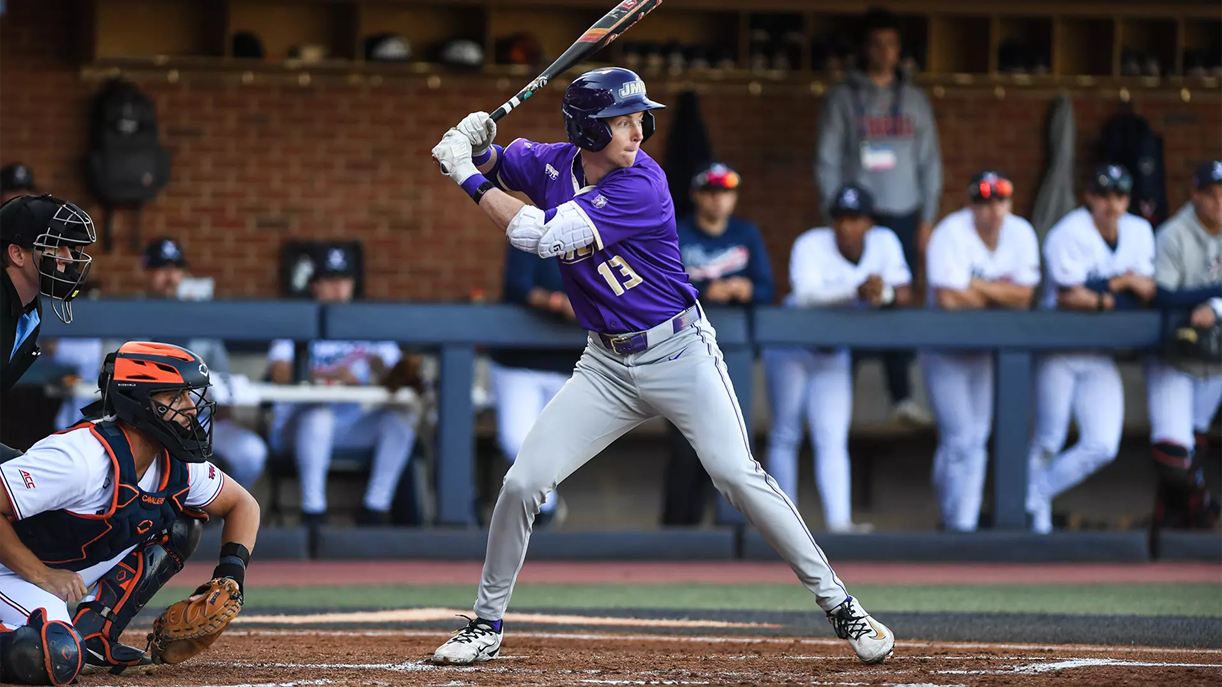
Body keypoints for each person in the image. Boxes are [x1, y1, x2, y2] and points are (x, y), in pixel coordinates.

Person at [429, 66, 894, 666]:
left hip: (679, 352)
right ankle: (485, 624)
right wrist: (477, 146)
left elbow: (539, 237)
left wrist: (463, 173)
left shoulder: (643, 186)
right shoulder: (550, 161)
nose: (637, 132)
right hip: (605, 363)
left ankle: (841, 605)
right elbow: (503, 165)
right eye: (621, 122)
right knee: (522, 482)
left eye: (638, 119)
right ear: (586, 132)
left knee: (736, 474)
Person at [0, 341, 260, 682]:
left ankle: (96, 634)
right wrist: (41, 574)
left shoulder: (177, 463)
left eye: (190, 395)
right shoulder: (81, 459)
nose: (192, 408)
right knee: (55, 655)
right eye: (175, 396)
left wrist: (230, 575)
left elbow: (243, 505)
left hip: (60, 568)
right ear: (140, 403)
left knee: (183, 521)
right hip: (13, 570)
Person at [49, 238, 270, 488]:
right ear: (147, 273)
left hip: (195, 424)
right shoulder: (126, 319)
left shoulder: (201, 321)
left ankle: (213, 518)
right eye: (162, 269)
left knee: (251, 452)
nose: (170, 277)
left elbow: (224, 386)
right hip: (139, 426)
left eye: (176, 269)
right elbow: (108, 380)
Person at [815, 7, 942, 426]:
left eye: (891, 44)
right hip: (857, 213)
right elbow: (828, 160)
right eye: (876, 43)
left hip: (905, 210)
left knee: (897, 299)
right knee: (851, 293)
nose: (883, 52)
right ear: (864, 48)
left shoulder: (916, 100)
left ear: (899, 49)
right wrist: (835, 213)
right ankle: (842, 386)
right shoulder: (844, 96)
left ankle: (901, 394)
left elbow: (931, 163)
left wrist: (928, 218)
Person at [763, 183, 911, 533]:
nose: (848, 226)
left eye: (856, 218)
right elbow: (806, 294)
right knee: (785, 432)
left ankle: (839, 522)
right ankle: (783, 526)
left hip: (833, 352)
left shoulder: (885, 242)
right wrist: (856, 290)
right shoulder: (810, 244)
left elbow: (904, 291)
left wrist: (884, 293)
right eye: (841, 218)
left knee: (832, 436)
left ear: (869, 222)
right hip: (792, 347)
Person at [1026, 164, 1156, 534]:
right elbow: (1069, 295)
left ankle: (1032, 495)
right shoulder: (1068, 231)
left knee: (1102, 444)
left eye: (1119, 196)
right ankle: (1035, 521)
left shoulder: (1139, 230)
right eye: (1104, 195)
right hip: (1060, 349)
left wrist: (1101, 291)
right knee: (1048, 440)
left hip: (1100, 354)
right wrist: (1123, 285)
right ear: (1090, 197)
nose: (1111, 204)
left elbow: (1146, 293)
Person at [267, 245, 420, 528]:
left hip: (350, 426)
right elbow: (279, 372)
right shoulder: (297, 318)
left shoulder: (368, 325)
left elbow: (398, 376)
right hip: (297, 429)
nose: (339, 288)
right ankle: (313, 512)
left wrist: (382, 370)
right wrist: (329, 374)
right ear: (315, 285)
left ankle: (375, 509)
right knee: (319, 415)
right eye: (330, 280)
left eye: (344, 280)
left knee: (401, 419)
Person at [922, 171, 1040, 532]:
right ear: (970, 204)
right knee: (959, 439)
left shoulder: (1021, 232)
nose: (993, 209)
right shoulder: (949, 232)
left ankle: (962, 526)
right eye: (984, 201)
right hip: (945, 351)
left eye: (1000, 200)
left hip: (988, 353)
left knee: (975, 440)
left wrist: (976, 286)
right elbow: (949, 298)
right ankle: (953, 521)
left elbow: (1024, 297)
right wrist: (998, 293)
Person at [664, 161, 774, 525]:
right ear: (696, 195)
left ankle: (729, 529)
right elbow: (661, 287)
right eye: (711, 192)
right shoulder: (677, 231)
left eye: (726, 192)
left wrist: (747, 289)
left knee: (730, 446)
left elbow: (768, 288)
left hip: (733, 356)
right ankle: (678, 535)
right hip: (681, 353)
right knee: (686, 448)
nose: (719, 200)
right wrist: (708, 291)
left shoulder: (747, 233)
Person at [1145, 160, 1222, 530]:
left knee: (1195, 444)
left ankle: (1171, 525)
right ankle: (1205, 510)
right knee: (1175, 456)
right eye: (1213, 195)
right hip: (1175, 357)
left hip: (1215, 360)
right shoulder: (1174, 233)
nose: (1220, 203)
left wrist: (1214, 304)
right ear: (1196, 195)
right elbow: (1160, 296)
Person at [487, 245, 582, 528]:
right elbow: (518, 287)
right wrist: (556, 301)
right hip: (519, 361)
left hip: (571, 362)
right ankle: (547, 510)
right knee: (516, 441)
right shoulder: (532, 231)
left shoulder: (600, 235)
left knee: (557, 448)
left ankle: (540, 512)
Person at [0, 194, 95, 396]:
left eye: (68, 248)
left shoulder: (32, 306)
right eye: (55, 246)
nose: (68, 259)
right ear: (17, 254)